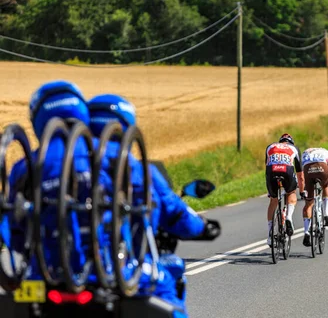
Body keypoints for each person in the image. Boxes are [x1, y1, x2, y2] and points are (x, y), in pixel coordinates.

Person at [88, 94, 212, 314]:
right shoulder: (138, 170)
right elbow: (175, 212)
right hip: (118, 269)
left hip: (52, 272)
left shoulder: (51, 165)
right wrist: (203, 227)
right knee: (169, 294)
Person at [9, 80, 92, 281]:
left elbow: (15, 232)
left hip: (43, 274)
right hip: (103, 271)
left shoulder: (24, 168)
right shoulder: (109, 156)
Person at [265, 134, 304, 245]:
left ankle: (270, 234)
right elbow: (300, 175)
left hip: (271, 171)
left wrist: (270, 190)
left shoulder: (270, 147)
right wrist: (301, 191)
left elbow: (267, 166)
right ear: (291, 142)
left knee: (273, 200)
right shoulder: (294, 149)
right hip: (287, 170)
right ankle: (289, 217)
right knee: (291, 192)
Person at [299, 147, 328, 247]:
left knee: (308, 204)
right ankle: (326, 213)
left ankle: (306, 232)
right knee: (325, 186)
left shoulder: (305, 153)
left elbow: (300, 174)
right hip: (322, 167)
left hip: (307, 169)